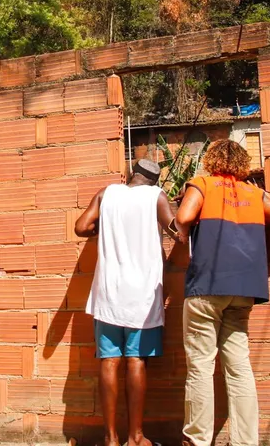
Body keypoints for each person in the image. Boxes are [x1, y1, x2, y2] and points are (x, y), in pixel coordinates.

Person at [173, 140, 270, 446]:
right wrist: (258, 197)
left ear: (212, 161)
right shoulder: (253, 193)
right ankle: (245, 442)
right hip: (244, 291)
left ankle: (198, 440)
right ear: (242, 164)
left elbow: (184, 217)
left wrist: (185, 229)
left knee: (201, 365)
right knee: (238, 366)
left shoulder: (202, 184)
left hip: (206, 287)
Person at [74, 159, 176, 446]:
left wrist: (102, 230)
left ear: (132, 174)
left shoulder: (107, 193)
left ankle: (110, 439)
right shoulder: (156, 197)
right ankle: (136, 437)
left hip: (108, 293)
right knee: (136, 361)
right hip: (142, 297)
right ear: (154, 181)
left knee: (108, 362)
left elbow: (81, 227)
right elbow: (177, 231)